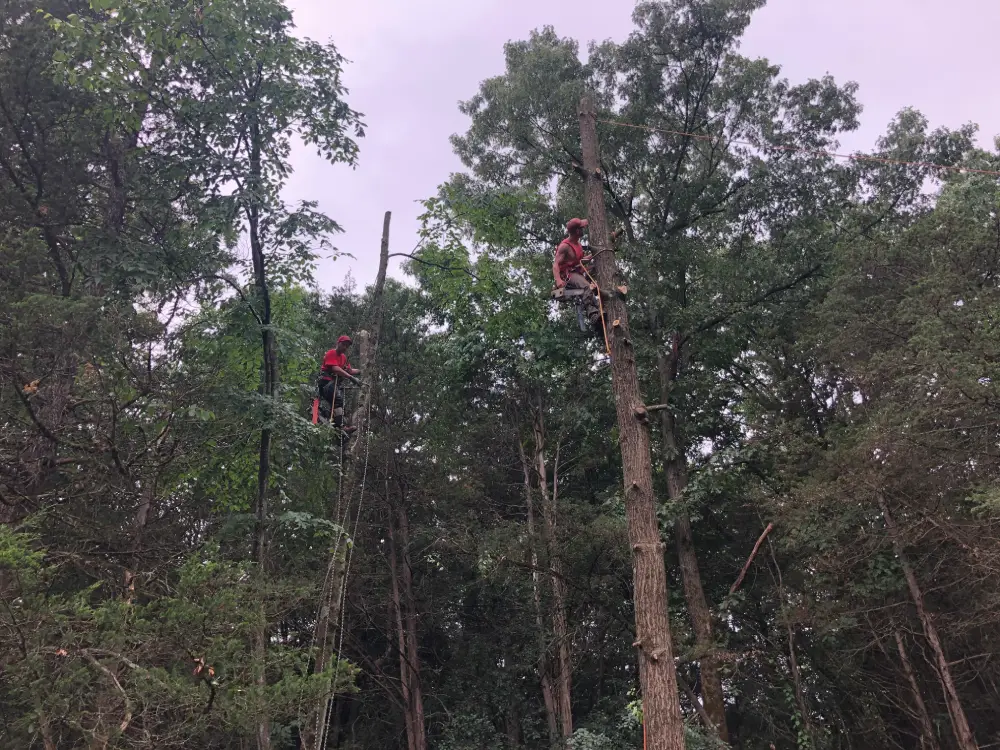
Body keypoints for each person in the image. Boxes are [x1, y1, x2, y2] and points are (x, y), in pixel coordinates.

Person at [553, 218, 602, 331]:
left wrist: (592, 255)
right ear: (577, 231)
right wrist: (558, 281)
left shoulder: (578, 244)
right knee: (586, 286)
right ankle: (593, 315)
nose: (584, 229)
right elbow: (555, 265)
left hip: (577, 270)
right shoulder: (565, 246)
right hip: (568, 275)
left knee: (594, 272)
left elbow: (580, 261)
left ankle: (599, 309)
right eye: (582, 228)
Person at [318, 335, 362, 434]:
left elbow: (349, 370)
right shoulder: (331, 353)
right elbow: (335, 369)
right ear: (338, 343)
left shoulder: (343, 358)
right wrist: (351, 378)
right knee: (338, 399)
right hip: (325, 383)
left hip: (333, 385)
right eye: (343, 345)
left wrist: (360, 371)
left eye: (347, 346)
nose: (345, 348)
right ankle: (341, 427)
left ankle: (337, 425)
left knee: (339, 403)